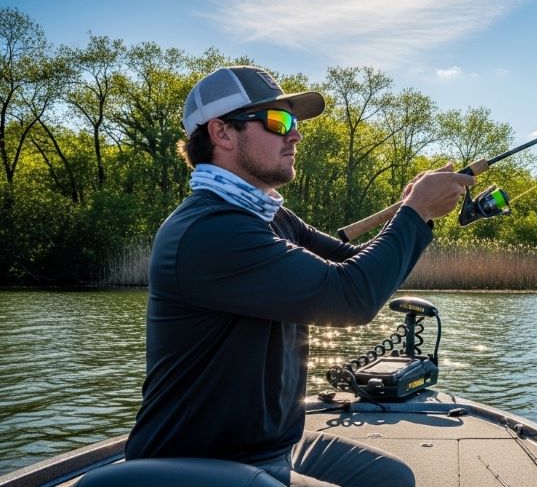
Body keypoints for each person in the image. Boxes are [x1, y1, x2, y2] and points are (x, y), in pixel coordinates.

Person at [124, 65, 475, 486]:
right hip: (198, 463)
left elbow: (358, 263)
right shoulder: (209, 231)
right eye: (278, 121)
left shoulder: (270, 216)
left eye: (294, 123)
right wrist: (415, 214)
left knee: (393, 479)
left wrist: (412, 211)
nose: (295, 134)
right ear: (221, 133)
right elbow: (351, 297)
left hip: (273, 448)